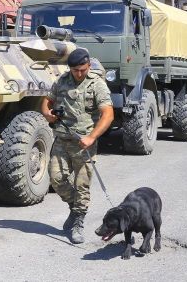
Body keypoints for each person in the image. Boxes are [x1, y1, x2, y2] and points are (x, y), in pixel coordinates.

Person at [41, 48, 114, 244]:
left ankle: (78, 221)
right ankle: (75, 208)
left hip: (84, 144)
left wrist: (92, 137)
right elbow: (47, 101)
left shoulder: (96, 84)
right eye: (75, 70)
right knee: (56, 179)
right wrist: (48, 114)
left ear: (88, 66)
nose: (79, 73)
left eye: (82, 69)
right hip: (62, 139)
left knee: (82, 185)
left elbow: (108, 114)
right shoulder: (62, 81)